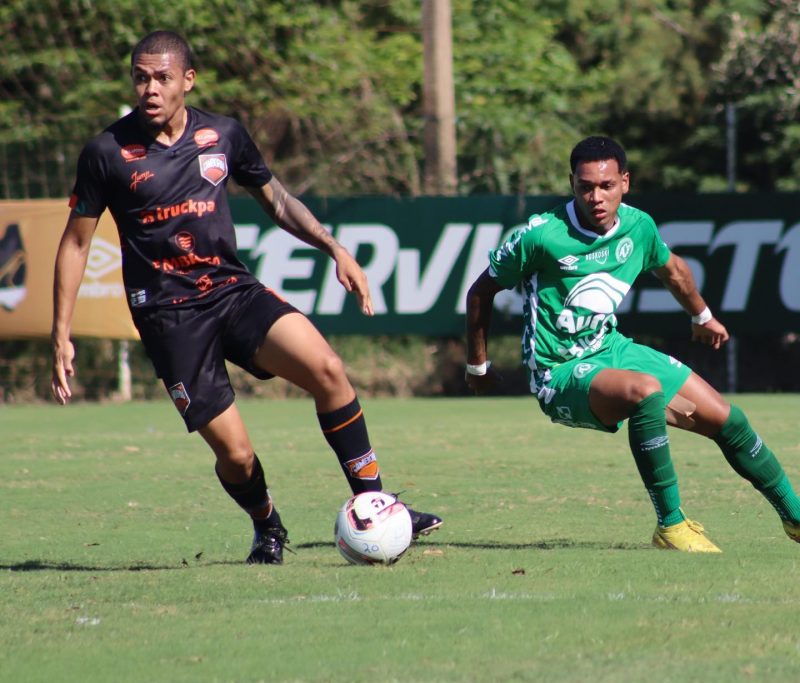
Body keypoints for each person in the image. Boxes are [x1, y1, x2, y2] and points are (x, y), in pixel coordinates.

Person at [51, 30, 442, 565]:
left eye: (162, 77)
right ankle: (268, 526)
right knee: (235, 455)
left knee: (327, 368)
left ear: (188, 80)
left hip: (232, 292)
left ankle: (374, 502)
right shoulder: (106, 152)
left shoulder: (224, 135)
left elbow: (277, 199)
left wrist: (335, 249)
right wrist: (60, 333)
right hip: (169, 318)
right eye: (140, 77)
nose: (150, 89)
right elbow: (76, 244)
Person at [464, 135, 800, 553]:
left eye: (606, 185)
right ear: (572, 184)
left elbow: (673, 269)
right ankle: (671, 526)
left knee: (730, 421)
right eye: (585, 186)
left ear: (625, 181)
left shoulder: (639, 226)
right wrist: (478, 365)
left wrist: (702, 316)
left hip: (612, 348)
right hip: (560, 372)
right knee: (646, 392)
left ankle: (795, 517)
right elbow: (479, 291)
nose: (596, 196)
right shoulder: (541, 235)